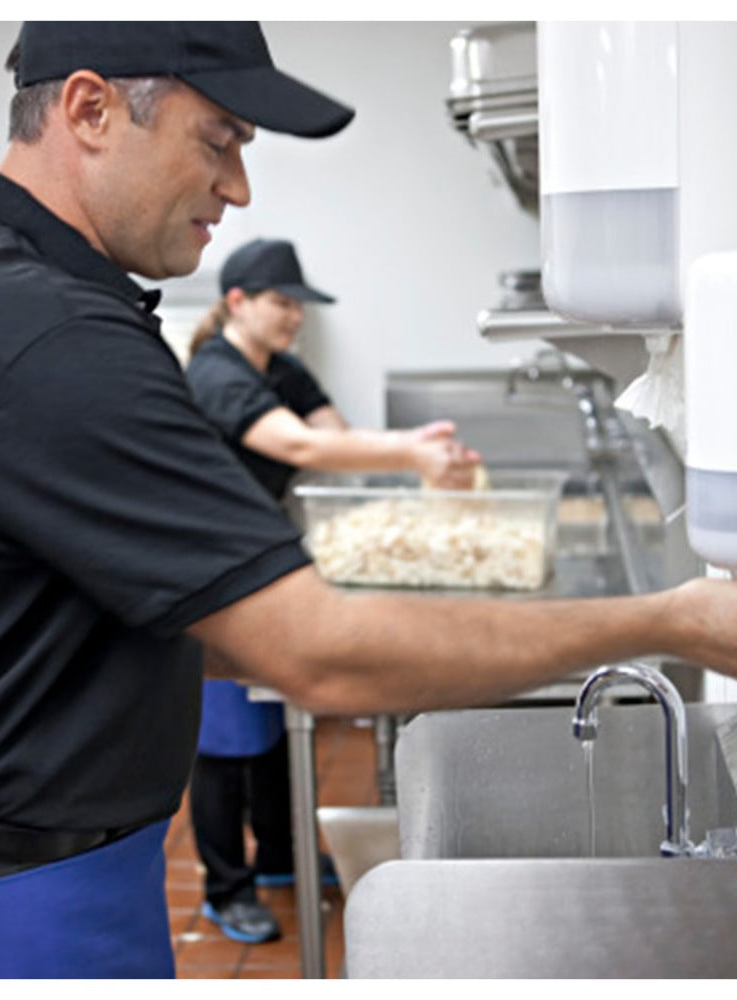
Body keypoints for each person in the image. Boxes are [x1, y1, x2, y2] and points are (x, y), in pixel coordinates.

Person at [0, 21, 737, 980]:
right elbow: (318, 656)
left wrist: (292, 619)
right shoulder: (46, 336)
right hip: (5, 910)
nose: (237, 188)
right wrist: (663, 623)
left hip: (63, 873)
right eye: (218, 140)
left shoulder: (24, 300)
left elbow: (167, 625)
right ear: (89, 109)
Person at [184, 238, 480, 943]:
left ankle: (282, 856)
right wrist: (413, 452)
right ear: (237, 302)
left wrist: (415, 453)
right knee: (225, 743)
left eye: (299, 305)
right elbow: (303, 450)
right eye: (281, 302)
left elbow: (334, 434)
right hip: (203, 568)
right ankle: (227, 888)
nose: (294, 317)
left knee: (275, 718)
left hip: (256, 559)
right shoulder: (216, 373)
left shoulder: (280, 369)